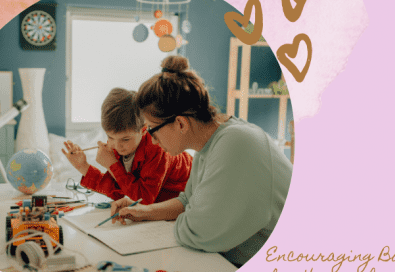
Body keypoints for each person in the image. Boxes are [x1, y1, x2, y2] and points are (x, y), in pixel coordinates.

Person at [109, 56, 293, 267]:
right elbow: (187, 202)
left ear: (180, 123)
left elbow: (198, 232)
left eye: (152, 129)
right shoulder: (209, 144)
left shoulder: (236, 144)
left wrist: (189, 217)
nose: (150, 138)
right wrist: (144, 211)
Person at [61, 88, 193, 205]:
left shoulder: (156, 148)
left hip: (193, 189)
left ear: (143, 129)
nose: (117, 146)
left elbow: (143, 200)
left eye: (125, 139)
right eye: (110, 137)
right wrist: (83, 166)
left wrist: (112, 165)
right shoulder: (120, 148)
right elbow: (119, 191)